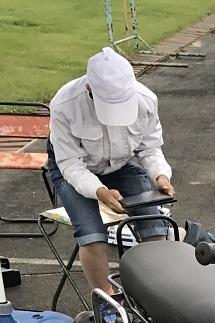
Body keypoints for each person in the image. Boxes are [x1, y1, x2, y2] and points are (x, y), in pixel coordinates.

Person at [46, 48, 173, 296]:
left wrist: (160, 175)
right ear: (89, 88)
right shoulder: (64, 104)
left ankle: (159, 293)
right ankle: (107, 301)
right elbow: (70, 165)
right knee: (92, 234)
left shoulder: (146, 99)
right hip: (74, 169)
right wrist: (100, 191)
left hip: (120, 166)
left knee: (154, 227)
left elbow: (149, 148)